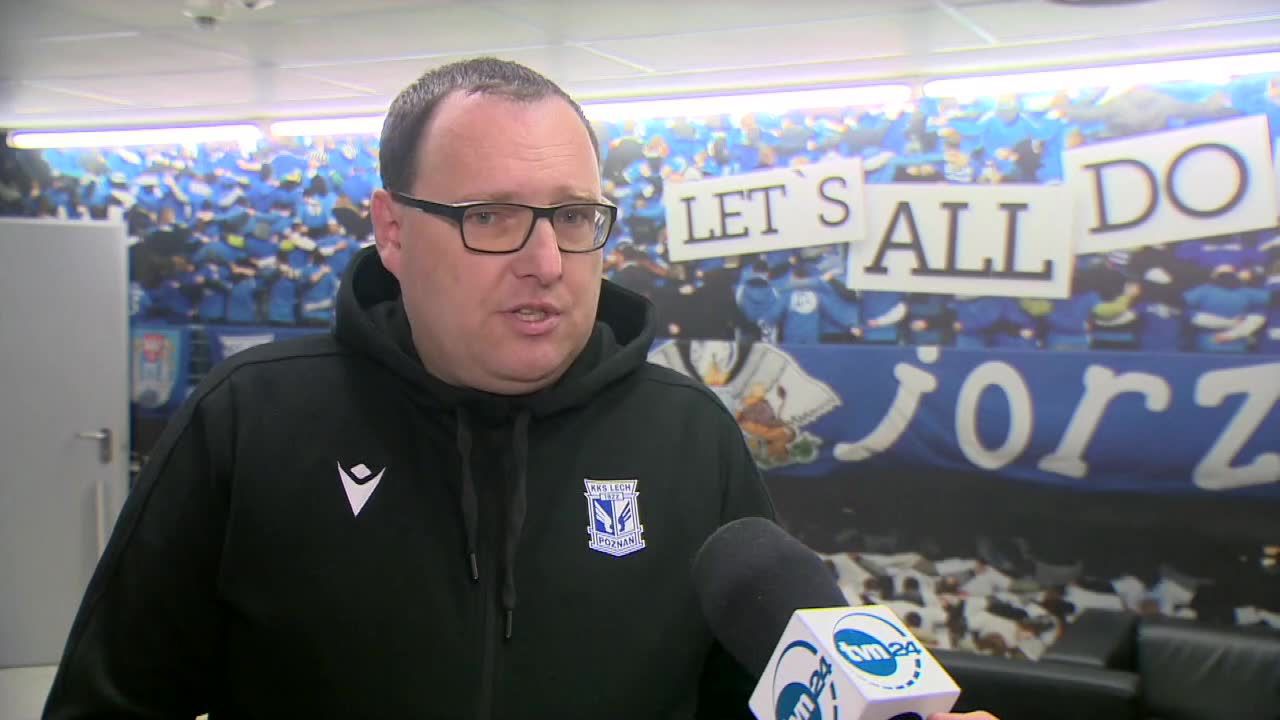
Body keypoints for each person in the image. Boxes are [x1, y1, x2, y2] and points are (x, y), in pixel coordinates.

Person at [43, 58, 996, 720]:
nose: (546, 260)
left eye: (574, 216)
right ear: (392, 230)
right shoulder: (249, 420)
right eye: (492, 216)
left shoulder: (691, 438)